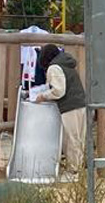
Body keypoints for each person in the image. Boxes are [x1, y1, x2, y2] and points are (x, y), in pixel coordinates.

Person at [33, 44, 87, 173]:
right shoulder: (67, 64)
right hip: (80, 103)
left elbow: (59, 91)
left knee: (71, 138)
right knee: (79, 138)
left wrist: (43, 96)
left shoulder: (54, 68)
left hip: (69, 106)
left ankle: (73, 169)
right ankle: (78, 166)